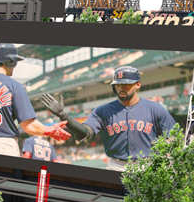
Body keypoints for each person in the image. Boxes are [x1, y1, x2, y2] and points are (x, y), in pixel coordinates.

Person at [43, 66, 177, 172]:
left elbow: (173, 135)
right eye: (118, 84)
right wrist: (63, 116)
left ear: (138, 84)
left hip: (147, 165)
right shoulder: (103, 111)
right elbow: (85, 132)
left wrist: (166, 158)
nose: (121, 87)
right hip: (116, 167)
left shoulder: (154, 108)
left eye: (126, 84)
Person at [0, 43, 70, 156]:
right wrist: (50, 130)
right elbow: (29, 126)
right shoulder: (13, 85)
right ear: (10, 61)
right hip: (3, 146)